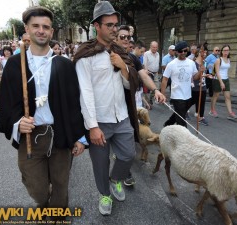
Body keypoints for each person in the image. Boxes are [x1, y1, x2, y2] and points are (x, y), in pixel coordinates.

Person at [0, 6, 86, 222]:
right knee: (37, 189)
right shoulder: (14, 64)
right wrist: (18, 123)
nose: (41, 30)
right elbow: (5, 103)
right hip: (31, 137)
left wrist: (80, 137)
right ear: (26, 29)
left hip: (60, 135)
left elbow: (75, 103)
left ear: (52, 32)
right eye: (35, 26)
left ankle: (56, 217)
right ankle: (44, 205)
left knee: (61, 187)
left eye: (45, 27)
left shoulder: (64, 65)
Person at [74, 1, 139, 216]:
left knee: (128, 155)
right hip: (99, 121)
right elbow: (85, 92)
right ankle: (104, 194)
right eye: (109, 24)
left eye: (115, 24)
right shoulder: (86, 54)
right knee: (100, 164)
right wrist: (92, 126)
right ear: (97, 26)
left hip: (122, 118)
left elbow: (130, 86)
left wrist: (123, 67)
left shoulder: (121, 52)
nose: (114, 28)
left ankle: (116, 180)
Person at [115, 25, 166, 186]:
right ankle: (111, 181)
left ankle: (125, 172)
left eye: (128, 37)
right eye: (122, 37)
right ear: (115, 38)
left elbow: (143, 75)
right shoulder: (107, 55)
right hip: (109, 109)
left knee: (127, 144)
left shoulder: (133, 58)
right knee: (109, 149)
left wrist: (156, 90)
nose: (126, 40)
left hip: (127, 108)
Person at [161, 41, 203, 127]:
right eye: (180, 51)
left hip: (187, 95)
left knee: (179, 113)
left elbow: (195, 77)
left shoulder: (191, 63)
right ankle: (184, 137)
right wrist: (162, 94)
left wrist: (200, 71)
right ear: (176, 52)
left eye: (185, 51)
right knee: (182, 121)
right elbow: (164, 79)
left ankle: (168, 125)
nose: (183, 53)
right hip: (177, 95)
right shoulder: (171, 64)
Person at [209, 44, 237, 120]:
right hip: (218, 79)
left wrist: (225, 80)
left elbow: (225, 70)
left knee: (228, 97)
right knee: (216, 96)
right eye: (224, 50)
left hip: (226, 79)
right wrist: (221, 82)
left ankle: (230, 113)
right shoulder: (218, 60)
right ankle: (212, 110)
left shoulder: (228, 60)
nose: (226, 52)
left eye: (227, 50)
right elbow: (217, 72)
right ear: (222, 51)